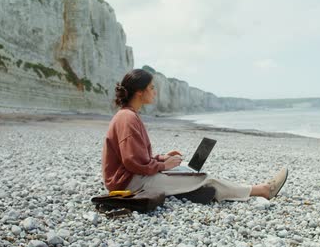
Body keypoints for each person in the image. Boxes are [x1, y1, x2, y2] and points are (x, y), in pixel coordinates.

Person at [101, 69, 288, 202]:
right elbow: (132, 162)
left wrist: (162, 158)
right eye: (151, 88)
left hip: (134, 178)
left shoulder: (129, 115)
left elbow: (137, 157)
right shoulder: (127, 118)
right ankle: (263, 190)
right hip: (129, 184)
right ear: (139, 92)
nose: (154, 91)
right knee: (203, 178)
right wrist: (163, 165)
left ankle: (194, 190)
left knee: (186, 168)